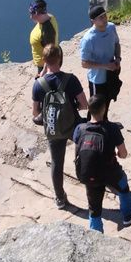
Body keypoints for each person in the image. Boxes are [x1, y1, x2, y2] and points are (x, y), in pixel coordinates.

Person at [31, 42, 89, 212]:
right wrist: (72, 107)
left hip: (53, 128)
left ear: (44, 60)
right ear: (60, 58)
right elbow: (85, 105)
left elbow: (35, 113)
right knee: (84, 147)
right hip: (73, 125)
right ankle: (89, 176)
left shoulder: (38, 84)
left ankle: (60, 198)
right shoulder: (71, 79)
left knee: (57, 162)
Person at [71, 95, 131, 231]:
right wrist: (118, 154)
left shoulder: (80, 128)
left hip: (88, 174)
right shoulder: (112, 128)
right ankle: (127, 216)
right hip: (109, 173)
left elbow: (76, 154)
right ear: (104, 109)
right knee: (123, 186)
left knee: (94, 207)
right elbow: (123, 154)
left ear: (88, 109)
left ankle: (96, 235)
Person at [79, 5, 122, 103]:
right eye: (101, 17)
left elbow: (116, 43)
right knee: (95, 107)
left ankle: (105, 118)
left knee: (108, 100)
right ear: (93, 21)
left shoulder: (111, 27)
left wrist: (118, 58)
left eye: (105, 16)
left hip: (111, 74)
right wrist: (105, 65)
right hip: (97, 79)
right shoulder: (88, 39)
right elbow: (84, 63)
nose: (104, 19)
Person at [29, 0, 59, 72]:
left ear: (39, 14)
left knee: (42, 84)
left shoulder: (47, 32)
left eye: (32, 14)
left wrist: (45, 70)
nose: (31, 17)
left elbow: (49, 52)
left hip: (46, 65)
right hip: (44, 63)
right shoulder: (50, 17)